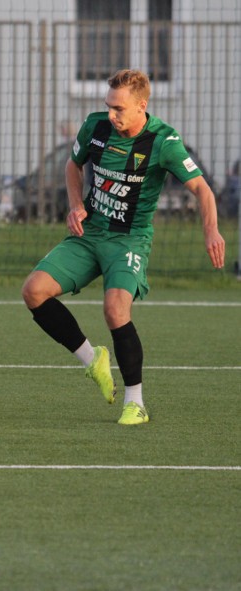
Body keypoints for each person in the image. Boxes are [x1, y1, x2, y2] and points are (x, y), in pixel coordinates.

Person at [21, 69, 225, 426]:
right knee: (34, 291)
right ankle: (92, 359)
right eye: (108, 107)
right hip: (92, 232)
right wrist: (74, 205)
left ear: (141, 105)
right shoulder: (95, 127)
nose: (112, 115)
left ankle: (136, 402)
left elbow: (203, 190)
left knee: (115, 309)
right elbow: (73, 165)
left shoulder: (164, 141)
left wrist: (211, 231)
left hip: (129, 239)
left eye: (119, 109)